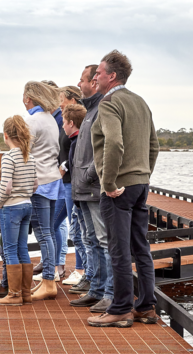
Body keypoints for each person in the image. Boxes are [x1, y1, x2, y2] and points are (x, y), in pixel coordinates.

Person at [88, 50, 160, 328]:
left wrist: (109, 182)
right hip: (140, 184)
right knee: (141, 247)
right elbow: (154, 146)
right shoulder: (140, 102)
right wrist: (143, 174)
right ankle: (146, 307)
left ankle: (120, 308)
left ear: (112, 76)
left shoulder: (110, 104)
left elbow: (114, 143)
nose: (95, 76)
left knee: (118, 249)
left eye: (99, 73)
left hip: (118, 187)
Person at [69, 64, 115, 314]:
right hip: (82, 189)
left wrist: (87, 176)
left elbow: (105, 148)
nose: (79, 84)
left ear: (93, 83)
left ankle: (110, 293)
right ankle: (96, 289)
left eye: (82, 80)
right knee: (90, 239)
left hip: (93, 188)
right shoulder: (89, 110)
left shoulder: (101, 109)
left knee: (104, 240)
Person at [22, 81, 63, 301]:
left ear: (30, 98)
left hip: (38, 183)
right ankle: (48, 279)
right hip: (53, 180)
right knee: (49, 232)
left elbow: (22, 153)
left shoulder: (32, 120)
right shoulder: (51, 120)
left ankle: (48, 281)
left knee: (43, 233)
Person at [0, 116, 38, 306]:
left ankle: (13, 295)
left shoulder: (9, 157)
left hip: (12, 207)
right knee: (22, 248)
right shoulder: (31, 157)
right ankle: (26, 293)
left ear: (6, 136)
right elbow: (35, 185)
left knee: (10, 250)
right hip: (27, 205)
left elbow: (7, 186)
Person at [58, 101, 92, 286]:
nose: (62, 126)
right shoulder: (76, 141)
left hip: (79, 193)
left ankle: (88, 276)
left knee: (81, 235)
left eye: (63, 122)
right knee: (81, 235)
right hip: (78, 192)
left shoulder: (77, 142)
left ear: (71, 122)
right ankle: (89, 276)